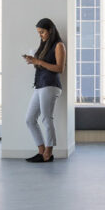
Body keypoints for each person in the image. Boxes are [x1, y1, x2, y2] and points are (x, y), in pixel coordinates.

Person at [22, 17, 66, 162]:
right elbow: (41, 65)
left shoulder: (59, 45)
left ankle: (48, 153)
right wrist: (33, 61)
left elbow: (60, 68)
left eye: (42, 32)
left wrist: (39, 61)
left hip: (50, 85)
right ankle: (41, 151)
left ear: (50, 31)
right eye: (39, 33)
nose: (40, 35)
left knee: (47, 118)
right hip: (39, 85)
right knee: (29, 119)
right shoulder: (44, 45)